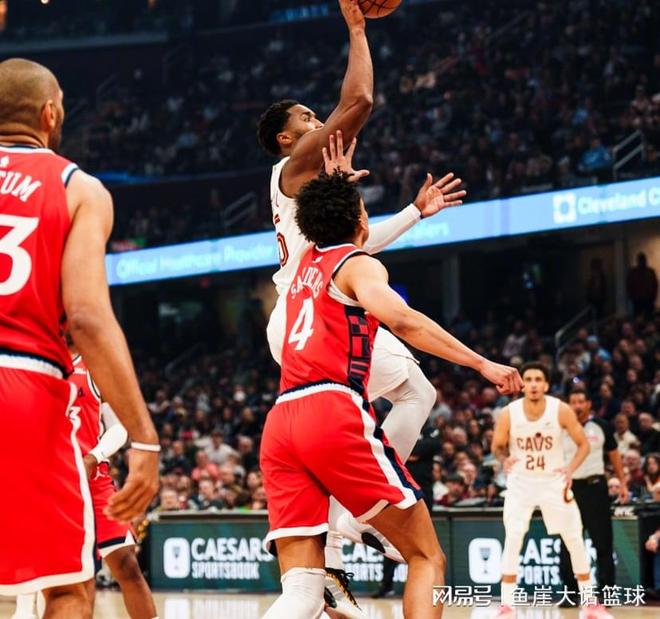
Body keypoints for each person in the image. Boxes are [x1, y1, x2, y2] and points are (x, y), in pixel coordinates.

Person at [257, 0, 465, 609]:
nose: (318, 119)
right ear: (286, 138)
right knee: (414, 392)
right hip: (315, 306)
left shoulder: (314, 191)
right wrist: (356, 27)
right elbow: (359, 103)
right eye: (307, 117)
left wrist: (413, 213)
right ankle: (355, 517)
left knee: (362, 414)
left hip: (305, 308)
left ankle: (332, 556)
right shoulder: (291, 166)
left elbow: (356, 246)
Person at [259, 169, 522, 619]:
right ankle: (353, 520)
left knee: (302, 593)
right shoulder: (358, 263)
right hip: (330, 408)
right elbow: (403, 321)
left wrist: (352, 191)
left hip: (281, 421)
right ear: (359, 219)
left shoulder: (303, 266)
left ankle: (344, 531)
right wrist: (481, 363)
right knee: (426, 557)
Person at [0, 58, 159, 617]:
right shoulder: (77, 187)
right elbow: (87, 317)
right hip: (24, 383)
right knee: (67, 588)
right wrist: (144, 438)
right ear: (50, 113)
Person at [13, 350, 159, 619]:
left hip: (95, 484)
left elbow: (118, 428)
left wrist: (94, 456)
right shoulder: (38, 366)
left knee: (127, 565)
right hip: (51, 486)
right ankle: (25, 612)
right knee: (67, 582)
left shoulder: (94, 365)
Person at [491, 363, 613, 619]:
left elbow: (583, 444)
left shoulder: (560, 409)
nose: (533, 384)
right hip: (521, 482)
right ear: (523, 384)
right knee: (513, 538)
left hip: (552, 481)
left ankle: (589, 602)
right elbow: (497, 446)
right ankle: (507, 605)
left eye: (538, 379)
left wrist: (570, 469)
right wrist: (504, 458)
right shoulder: (509, 413)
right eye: (528, 379)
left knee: (574, 538)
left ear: (546, 384)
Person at [559, 388, 629, 605]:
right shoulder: (560, 427)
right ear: (568, 404)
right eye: (573, 401)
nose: (577, 405)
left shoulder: (602, 426)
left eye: (581, 401)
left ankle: (607, 593)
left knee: (603, 542)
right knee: (568, 543)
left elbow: (614, 455)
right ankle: (571, 593)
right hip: (568, 489)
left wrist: (623, 482)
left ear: (588, 404)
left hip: (595, 487)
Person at [626, 252, 658, 318]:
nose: (642, 262)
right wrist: (632, 296)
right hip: (638, 299)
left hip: (647, 299)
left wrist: (653, 296)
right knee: (639, 317)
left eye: (643, 260)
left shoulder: (650, 272)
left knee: (648, 317)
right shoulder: (634, 272)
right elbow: (629, 285)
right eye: (641, 260)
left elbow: (655, 285)